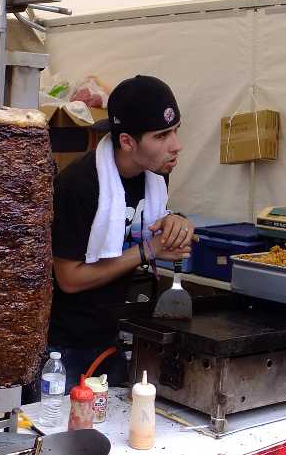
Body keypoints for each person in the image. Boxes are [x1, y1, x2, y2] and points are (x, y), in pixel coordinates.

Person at [48, 75, 194, 392]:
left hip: (112, 333)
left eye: (176, 130)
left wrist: (175, 222)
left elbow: (150, 222)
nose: (176, 145)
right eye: (162, 135)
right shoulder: (79, 186)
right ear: (127, 141)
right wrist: (146, 251)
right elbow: (69, 279)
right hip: (63, 346)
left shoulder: (154, 177)